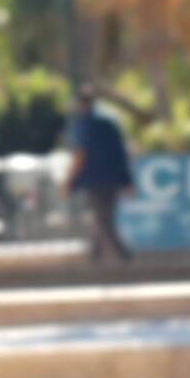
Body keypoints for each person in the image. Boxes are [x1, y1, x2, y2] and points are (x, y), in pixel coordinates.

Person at [67, 91, 136, 262]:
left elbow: (80, 155)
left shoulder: (83, 125)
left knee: (103, 219)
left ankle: (123, 254)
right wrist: (127, 180)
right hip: (112, 179)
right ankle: (94, 255)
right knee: (103, 216)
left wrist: (69, 181)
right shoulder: (110, 125)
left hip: (94, 180)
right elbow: (121, 154)